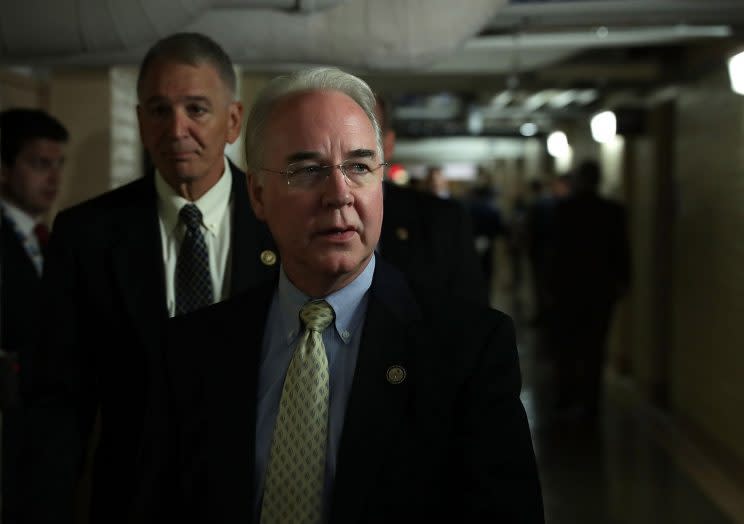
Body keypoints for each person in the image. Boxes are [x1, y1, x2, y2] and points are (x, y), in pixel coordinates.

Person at [161, 67, 544, 523]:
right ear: (258, 194)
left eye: (359, 166)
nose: (339, 194)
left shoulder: (468, 351)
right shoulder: (192, 349)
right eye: (307, 170)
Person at [21, 33, 278, 524]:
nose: (176, 129)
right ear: (141, 122)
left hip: (260, 498)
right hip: (131, 501)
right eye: (159, 111)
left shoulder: (283, 224)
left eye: (197, 109)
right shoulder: (86, 235)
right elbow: (57, 400)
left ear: (233, 121)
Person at [0, 108, 68, 524]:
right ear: (4, 169)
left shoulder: (51, 239)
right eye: (40, 164)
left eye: (59, 164)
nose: (54, 179)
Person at [373, 96, 489, 306]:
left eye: (362, 133)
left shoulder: (444, 222)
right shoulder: (295, 222)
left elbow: (472, 320)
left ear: (388, 145)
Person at [549, 160, 630, 418]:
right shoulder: (613, 211)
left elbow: (554, 254)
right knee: (595, 346)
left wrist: (549, 287)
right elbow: (622, 251)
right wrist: (624, 283)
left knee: (567, 345)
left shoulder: (563, 210)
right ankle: (591, 402)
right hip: (600, 290)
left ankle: (566, 396)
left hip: (568, 290)